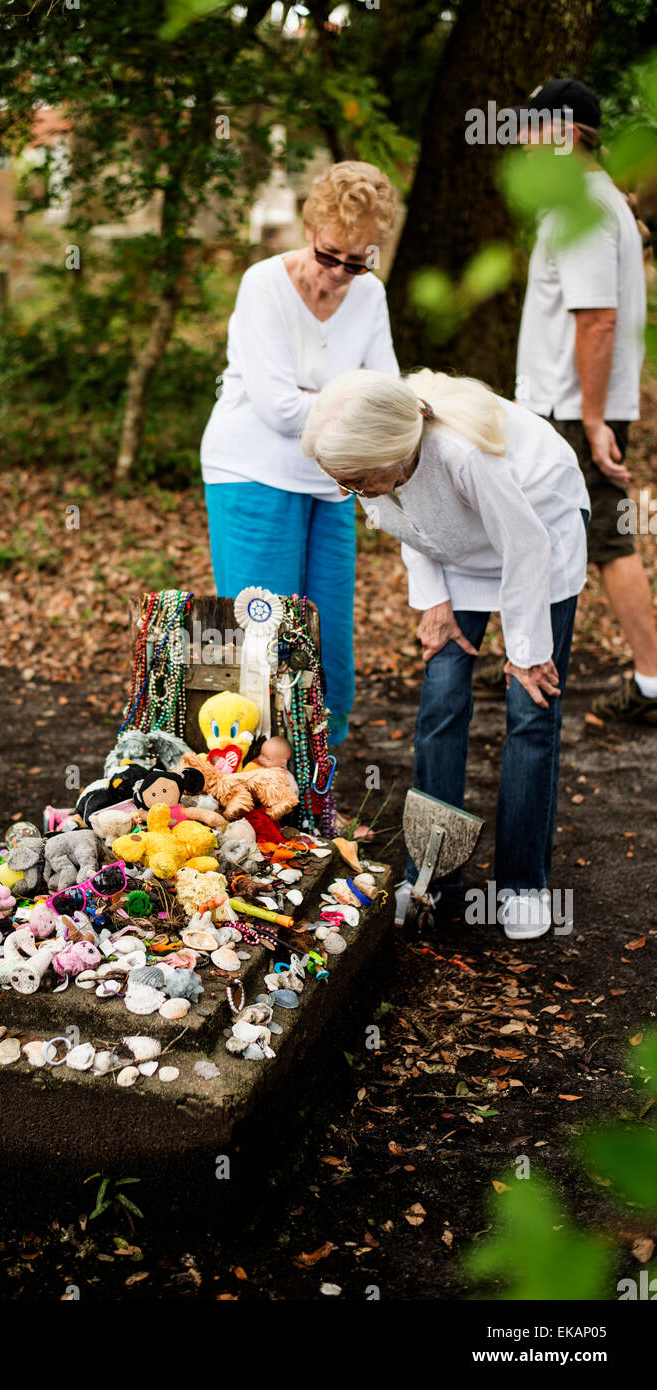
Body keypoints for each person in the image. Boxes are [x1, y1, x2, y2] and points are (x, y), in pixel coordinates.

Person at [301, 368, 590, 941]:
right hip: (460, 552)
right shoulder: (372, 467)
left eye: (354, 481)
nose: (345, 492)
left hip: (540, 538)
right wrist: (434, 601)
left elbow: (525, 543)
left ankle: (522, 883)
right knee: (441, 699)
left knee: (530, 709)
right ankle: (433, 876)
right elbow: (409, 524)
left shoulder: (460, 456)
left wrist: (527, 651)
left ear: (393, 454)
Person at [201, 161, 398, 746]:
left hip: (332, 478)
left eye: (356, 261)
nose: (340, 272)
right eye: (329, 254)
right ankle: (252, 792)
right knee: (263, 637)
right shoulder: (263, 284)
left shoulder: (370, 294)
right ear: (310, 228)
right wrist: (348, 402)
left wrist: (326, 401)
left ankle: (316, 788)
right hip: (251, 472)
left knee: (329, 641)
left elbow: (386, 394)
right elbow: (276, 408)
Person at [511, 77, 657, 726]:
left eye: (533, 132)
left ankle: (651, 681)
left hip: (573, 411)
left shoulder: (586, 211)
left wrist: (593, 421)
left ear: (567, 136)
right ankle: (529, 650)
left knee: (606, 540)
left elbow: (595, 320)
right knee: (548, 532)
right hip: (564, 407)